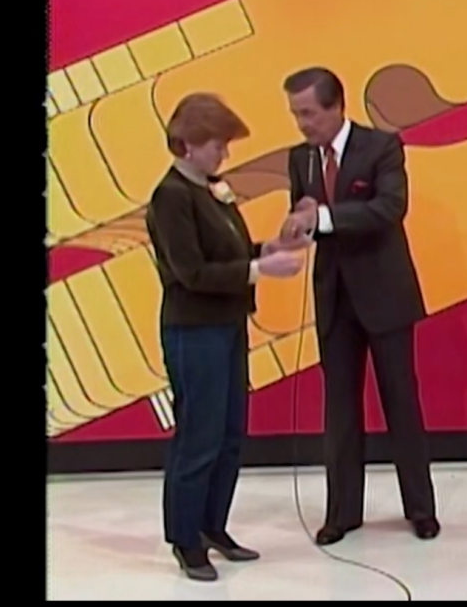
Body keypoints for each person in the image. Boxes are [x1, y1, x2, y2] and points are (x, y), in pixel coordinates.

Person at [146, 93, 308, 581]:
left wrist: (268, 248)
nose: (225, 155)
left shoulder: (213, 189)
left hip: (227, 325)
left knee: (230, 433)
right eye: (218, 146)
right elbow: (191, 271)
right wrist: (261, 268)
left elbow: (228, 252)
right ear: (189, 144)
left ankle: (214, 524)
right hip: (193, 329)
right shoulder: (171, 196)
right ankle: (185, 537)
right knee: (198, 436)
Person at [279, 67, 439, 544]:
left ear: (335, 106)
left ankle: (421, 509)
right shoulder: (301, 159)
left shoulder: (381, 147)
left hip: (385, 295)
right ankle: (342, 513)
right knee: (341, 410)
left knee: (400, 402)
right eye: (295, 115)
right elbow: (306, 214)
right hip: (335, 297)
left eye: (308, 113)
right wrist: (297, 227)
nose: (302, 124)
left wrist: (324, 217)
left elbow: (390, 208)